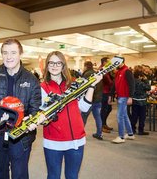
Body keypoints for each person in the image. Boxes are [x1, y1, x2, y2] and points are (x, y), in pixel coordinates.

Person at [0, 38, 41, 179]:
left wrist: (30, 119)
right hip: (0, 132)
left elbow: (35, 108)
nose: (9, 57)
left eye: (13, 52)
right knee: (1, 171)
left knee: (19, 174)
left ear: (20, 54)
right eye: (5, 53)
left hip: (22, 136)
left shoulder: (31, 79)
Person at [37, 51, 102, 179]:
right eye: (51, 62)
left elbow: (84, 107)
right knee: (53, 176)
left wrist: (92, 86)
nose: (54, 66)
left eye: (58, 63)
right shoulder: (42, 87)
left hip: (76, 140)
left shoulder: (73, 84)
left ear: (63, 65)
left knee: (72, 176)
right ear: (47, 65)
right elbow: (44, 115)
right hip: (53, 141)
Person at [109, 57, 135, 144]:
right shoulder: (118, 71)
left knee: (120, 116)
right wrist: (110, 95)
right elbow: (114, 84)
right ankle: (130, 134)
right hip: (120, 96)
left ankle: (121, 136)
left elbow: (132, 84)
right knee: (124, 115)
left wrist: (130, 97)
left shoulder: (127, 71)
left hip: (124, 97)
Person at [81, 61, 103, 140]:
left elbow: (82, 88)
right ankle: (99, 133)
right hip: (98, 99)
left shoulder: (86, 74)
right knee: (98, 117)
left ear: (86, 66)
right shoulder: (96, 74)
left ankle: (80, 133)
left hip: (89, 100)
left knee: (83, 117)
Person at [131, 66, 151, 135]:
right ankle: (140, 130)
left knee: (134, 116)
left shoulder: (133, 81)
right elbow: (148, 88)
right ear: (139, 76)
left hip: (134, 101)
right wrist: (146, 80)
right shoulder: (141, 83)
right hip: (142, 101)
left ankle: (133, 129)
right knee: (142, 117)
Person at [100, 57, 114, 133]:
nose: (110, 63)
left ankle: (104, 124)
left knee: (108, 109)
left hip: (107, 91)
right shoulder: (103, 70)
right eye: (108, 62)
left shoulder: (107, 69)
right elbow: (109, 81)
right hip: (104, 92)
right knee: (104, 110)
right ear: (104, 62)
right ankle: (102, 126)